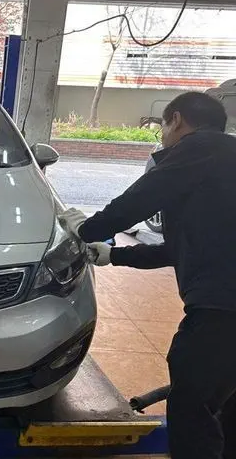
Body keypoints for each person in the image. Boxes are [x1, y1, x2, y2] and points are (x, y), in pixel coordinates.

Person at [58, 91, 236, 459]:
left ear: (176, 120)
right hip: (225, 301)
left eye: (163, 129)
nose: (163, 138)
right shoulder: (224, 163)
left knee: (192, 401)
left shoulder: (199, 148)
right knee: (225, 399)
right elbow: (180, 248)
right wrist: (115, 255)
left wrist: (87, 228)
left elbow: (139, 200)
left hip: (223, 307)